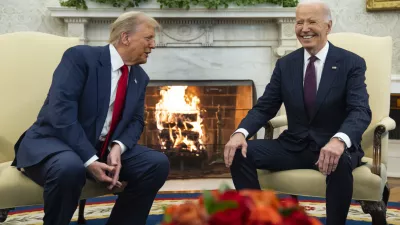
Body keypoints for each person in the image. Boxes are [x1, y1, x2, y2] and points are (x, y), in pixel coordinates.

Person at [11, 11, 170, 225]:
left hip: (100, 147)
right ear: (125, 37)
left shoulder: (139, 77)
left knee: (155, 163)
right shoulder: (80, 58)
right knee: (70, 167)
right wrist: (90, 160)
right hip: (53, 143)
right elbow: (61, 113)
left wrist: (117, 148)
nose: (153, 45)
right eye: (148, 38)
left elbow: (136, 121)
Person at [224, 1, 371, 224]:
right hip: (294, 146)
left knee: (338, 161)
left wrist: (339, 140)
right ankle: (258, 219)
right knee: (239, 152)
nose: (304, 28)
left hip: (333, 147)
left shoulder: (351, 63)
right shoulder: (286, 65)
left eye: (312, 21)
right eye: (299, 22)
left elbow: (360, 110)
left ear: (328, 26)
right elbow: (265, 107)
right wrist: (240, 133)